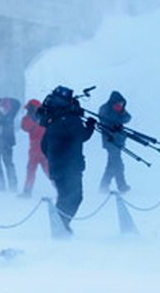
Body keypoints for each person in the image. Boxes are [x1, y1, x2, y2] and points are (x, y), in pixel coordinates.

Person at [39, 86, 96, 233]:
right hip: (71, 167)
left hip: (57, 167)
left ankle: (60, 226)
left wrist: (53, 158)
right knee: (75, 197)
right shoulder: (70, 119)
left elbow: (43, 145)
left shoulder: (54, 120)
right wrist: (90, 126)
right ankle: (60, 226)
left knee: (64, 197)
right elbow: (81, 136)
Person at [98, 91, 132, 194]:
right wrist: (117, 119)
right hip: (110, 141)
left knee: (112, 165)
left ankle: (104, 185)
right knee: (118, 165)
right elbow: (104, 121)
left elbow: (127, 118)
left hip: (118, 140)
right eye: (119, 103)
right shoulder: (105, 109)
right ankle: (122, 186)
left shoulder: (118, 110)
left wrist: (121, 112)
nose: (121, 105)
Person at [19, 99, 50, 198]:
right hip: (45, 150)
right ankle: (61, 189)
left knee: (32, 171)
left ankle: (27, 192)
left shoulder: (30, 118)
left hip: (36, 150)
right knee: (48, 172)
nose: (27, 111)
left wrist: (31, 118)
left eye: (28, 109)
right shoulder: (45, 117)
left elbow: (25, 127)